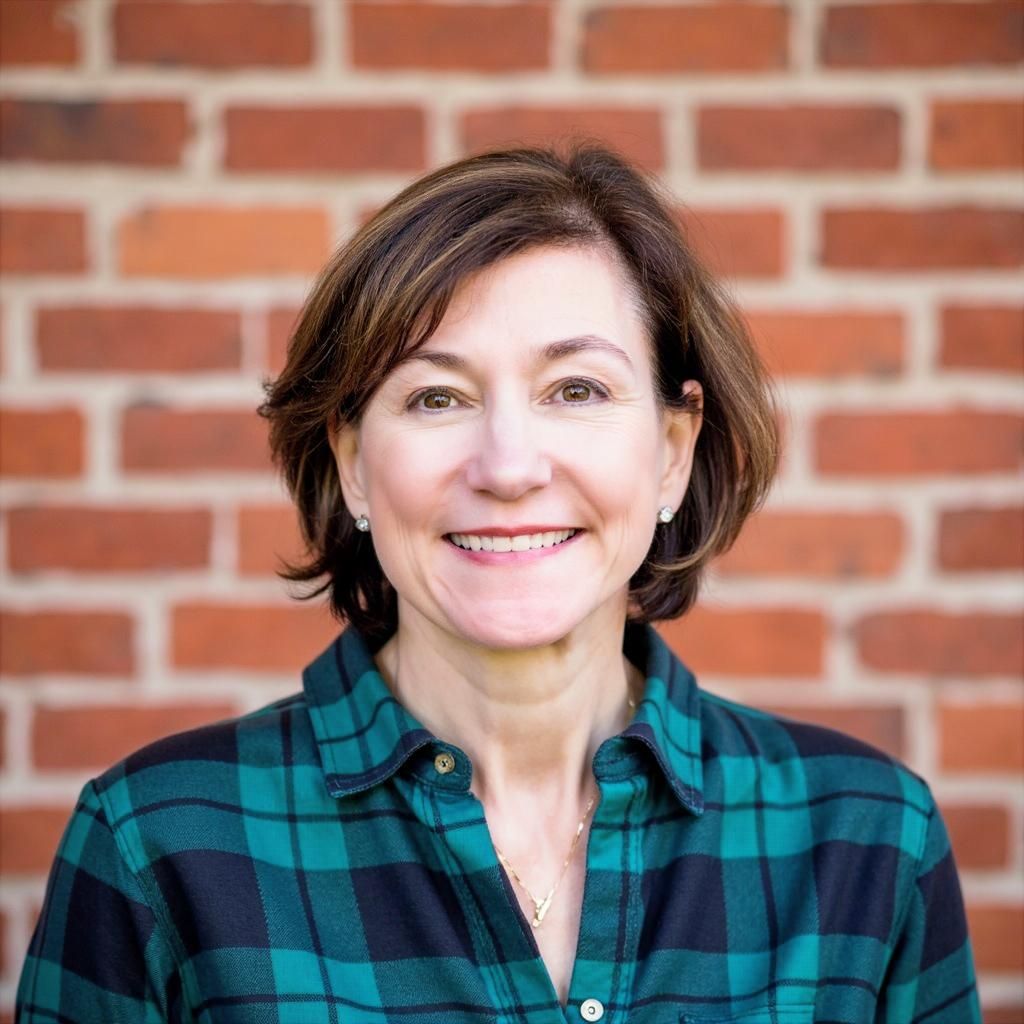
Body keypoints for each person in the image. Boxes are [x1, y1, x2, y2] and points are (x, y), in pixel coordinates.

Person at [16, 143, 981, 1024]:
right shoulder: (160, 844)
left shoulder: (867, 842)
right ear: (353, 462)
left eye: (577, 390)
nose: (509, 465)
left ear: (672, 455)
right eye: (438, 396)